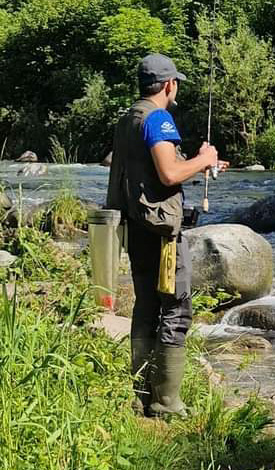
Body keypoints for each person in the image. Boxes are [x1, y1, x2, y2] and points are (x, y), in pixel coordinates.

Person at [106, 53, 228, 417]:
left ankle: (140, 393)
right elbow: (169, 173)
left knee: (146, 306)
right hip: (160, 234)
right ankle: (165, 403)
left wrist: (201, 164)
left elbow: (150, 169)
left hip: (135, 226)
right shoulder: (158, 118)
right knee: (176, 311)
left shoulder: (128, 118)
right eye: (176, 83)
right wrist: (204, 160)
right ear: (169, 85)